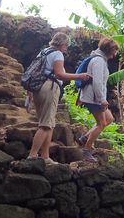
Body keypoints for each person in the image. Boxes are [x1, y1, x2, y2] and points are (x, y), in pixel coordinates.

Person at [28, 32, 91, 164]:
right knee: (45, 125)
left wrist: (30, 93)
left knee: (49, 123)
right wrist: (79, 76)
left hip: (38, 87)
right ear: (62, 44)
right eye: (66, 45)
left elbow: (34, 71)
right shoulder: (57, 54)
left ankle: (45, 156)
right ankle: (32, 155)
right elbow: (59, 74)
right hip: (49, 88)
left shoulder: (44, 52)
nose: (66, 48)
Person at [77, 37, 120, 163]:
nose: (114, 55)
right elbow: (97, 82)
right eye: (113, 51)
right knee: (101, 123)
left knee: (110, 119)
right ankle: (87, 149)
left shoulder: (100, 59)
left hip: (94, 96)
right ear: (108, 50)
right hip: (93, 98)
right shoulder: (99, 61)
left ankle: (84, 138)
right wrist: (102, 99)